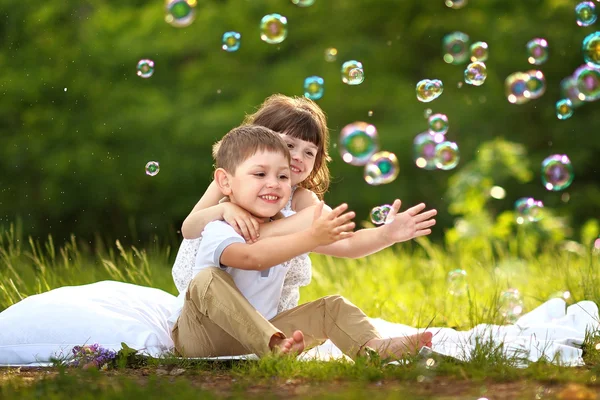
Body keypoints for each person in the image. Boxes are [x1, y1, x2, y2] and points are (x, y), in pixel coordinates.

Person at [169, 124, 433, 359]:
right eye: (260, 175)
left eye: (283, 177)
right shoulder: (221, 224)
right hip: (201, 336)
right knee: (207, 280)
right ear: (225, 182)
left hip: (258, 334)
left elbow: (348, 243)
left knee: (332, 307)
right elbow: (251, 257)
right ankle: (273, 346)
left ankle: (371, 348)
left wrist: (387, 234)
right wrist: (310, 237)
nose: (273, 183)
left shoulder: (290, 221)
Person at [172, 94, 437, 313]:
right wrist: (223, 209)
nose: (298, 157)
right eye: (289, 145)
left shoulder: (306, 204)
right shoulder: (230, 183)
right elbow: (189, 228)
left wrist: (387, 234)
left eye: (309, 152)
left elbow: (349, 244)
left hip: (267, 309)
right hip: (213, 302)